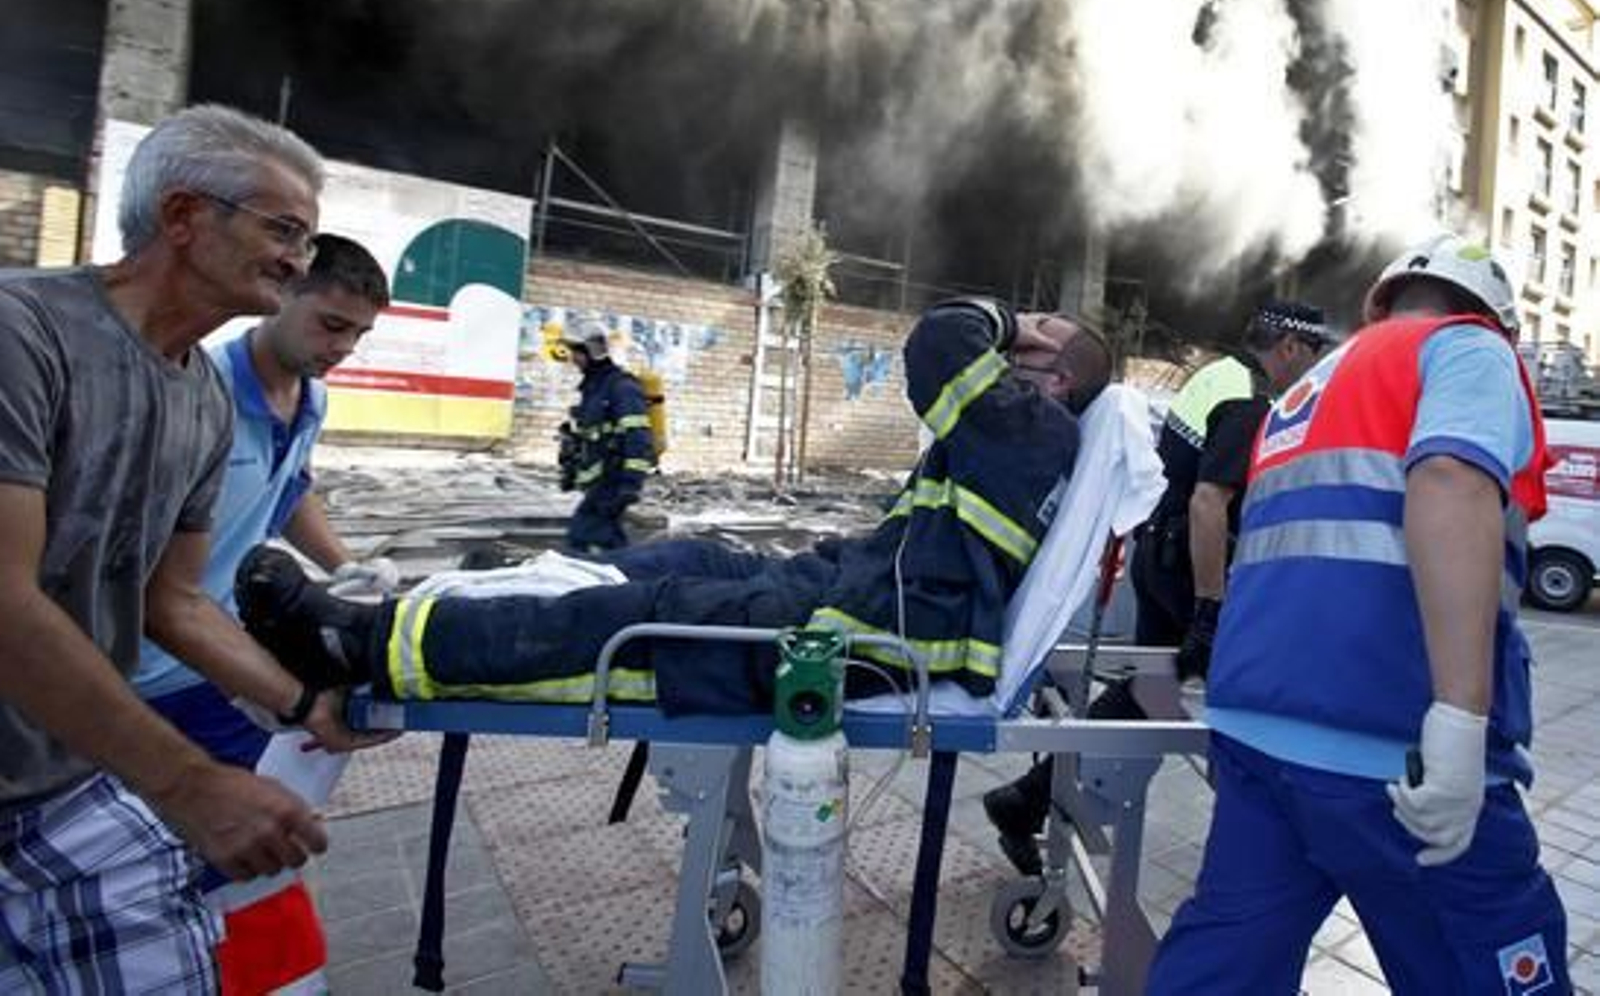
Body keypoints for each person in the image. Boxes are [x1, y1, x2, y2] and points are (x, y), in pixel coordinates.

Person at [237, 300, 1113, 717]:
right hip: (869, 592)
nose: (1022, 334)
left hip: (878, 632)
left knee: (648, 617)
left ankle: (367, 646)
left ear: (1059, 374)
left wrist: (1002, 316)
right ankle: (475, 599)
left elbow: (939, 340)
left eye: (1042, 331)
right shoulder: (1015, 433)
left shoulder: (1033, 428)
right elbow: (922, 537)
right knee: (695, 555)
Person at [0, 104, 372, 994]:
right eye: (283, 230)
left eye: (307, 239)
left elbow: (175, 602)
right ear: (182, 218)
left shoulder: (201, 397)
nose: (297, 260)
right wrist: (189, 781)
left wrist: (304, 705)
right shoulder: (24, 333)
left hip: (54, 772)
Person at [1147, 234, 1569, 994]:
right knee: (1487, 958)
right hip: (1388, 740)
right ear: (1497, 319)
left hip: (1257, 731)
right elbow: (1449, 477)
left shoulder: (1302, 394)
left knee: (1225, 963)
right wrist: (1461, 716)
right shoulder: (1466, 349)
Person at [982, 301, 1332, 875]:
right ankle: (1265, 846)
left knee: (1150, 690)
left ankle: (1027, 797)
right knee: (1245, 702)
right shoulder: (1250, 397)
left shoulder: (1216, 373)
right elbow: (1207, 502)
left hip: (1159, 558)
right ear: (1292, 348)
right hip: (1185, 569)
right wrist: (1209, 609)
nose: (1314, 374)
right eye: (1315, 357)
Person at [130, 231, 391, 995]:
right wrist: (303, 703)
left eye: (360, 334)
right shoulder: (197, 387)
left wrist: (345, 564)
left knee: (247, 857)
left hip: (222, 655)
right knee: (211, 856)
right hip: (155, 664)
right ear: (284, 294)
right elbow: (157, 592)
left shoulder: (308, 394)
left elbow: (291, 486)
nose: (342, 347)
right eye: (331, 325)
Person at [558, 323, 656, 554]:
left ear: (592, 352)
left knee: (583, 538)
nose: (573, 358)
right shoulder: (594, 387)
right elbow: (590, 435)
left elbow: (638, 436)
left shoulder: (622, 387)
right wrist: (572, 468)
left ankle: (619, 579)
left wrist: (630, 485)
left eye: (577, 352)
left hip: (613, 481)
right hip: (599, 483)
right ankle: (625, 578)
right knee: (605, 542)